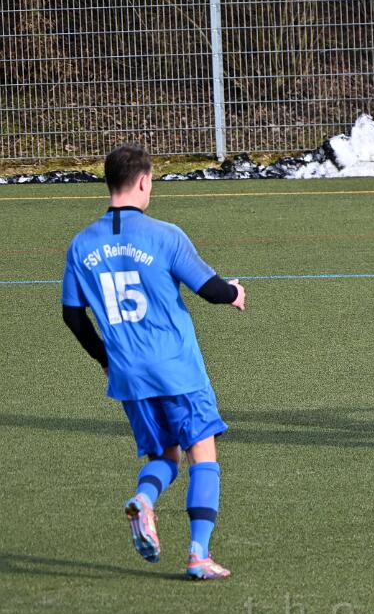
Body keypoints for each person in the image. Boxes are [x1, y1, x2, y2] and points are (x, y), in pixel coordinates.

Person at [61, 144, 246, 579]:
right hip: (176, 367)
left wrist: (104, 357)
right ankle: (198, 555)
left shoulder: (81, 244)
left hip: (129, 373)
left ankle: (143, 500)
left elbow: (73, 316)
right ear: (143, 181)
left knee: (165, 455)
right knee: (203, 454)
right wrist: (234, 292)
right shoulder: (165, 235)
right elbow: (210, 289)